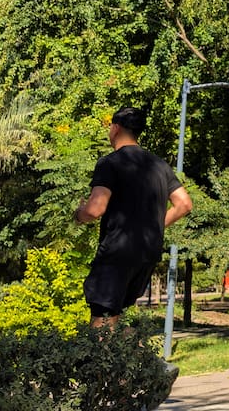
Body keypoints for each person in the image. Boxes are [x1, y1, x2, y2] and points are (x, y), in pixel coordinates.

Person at [75, 107, 193, 328]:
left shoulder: (110, 163)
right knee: (115, 313)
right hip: (147, 251)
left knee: (102, 316)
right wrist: (154, 227)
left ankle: (105, 360)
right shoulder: (159, 165)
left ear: (116, 128)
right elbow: (184, 204)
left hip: (118, 250)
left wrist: (79, 214)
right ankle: (134, 357)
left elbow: (95, 209)